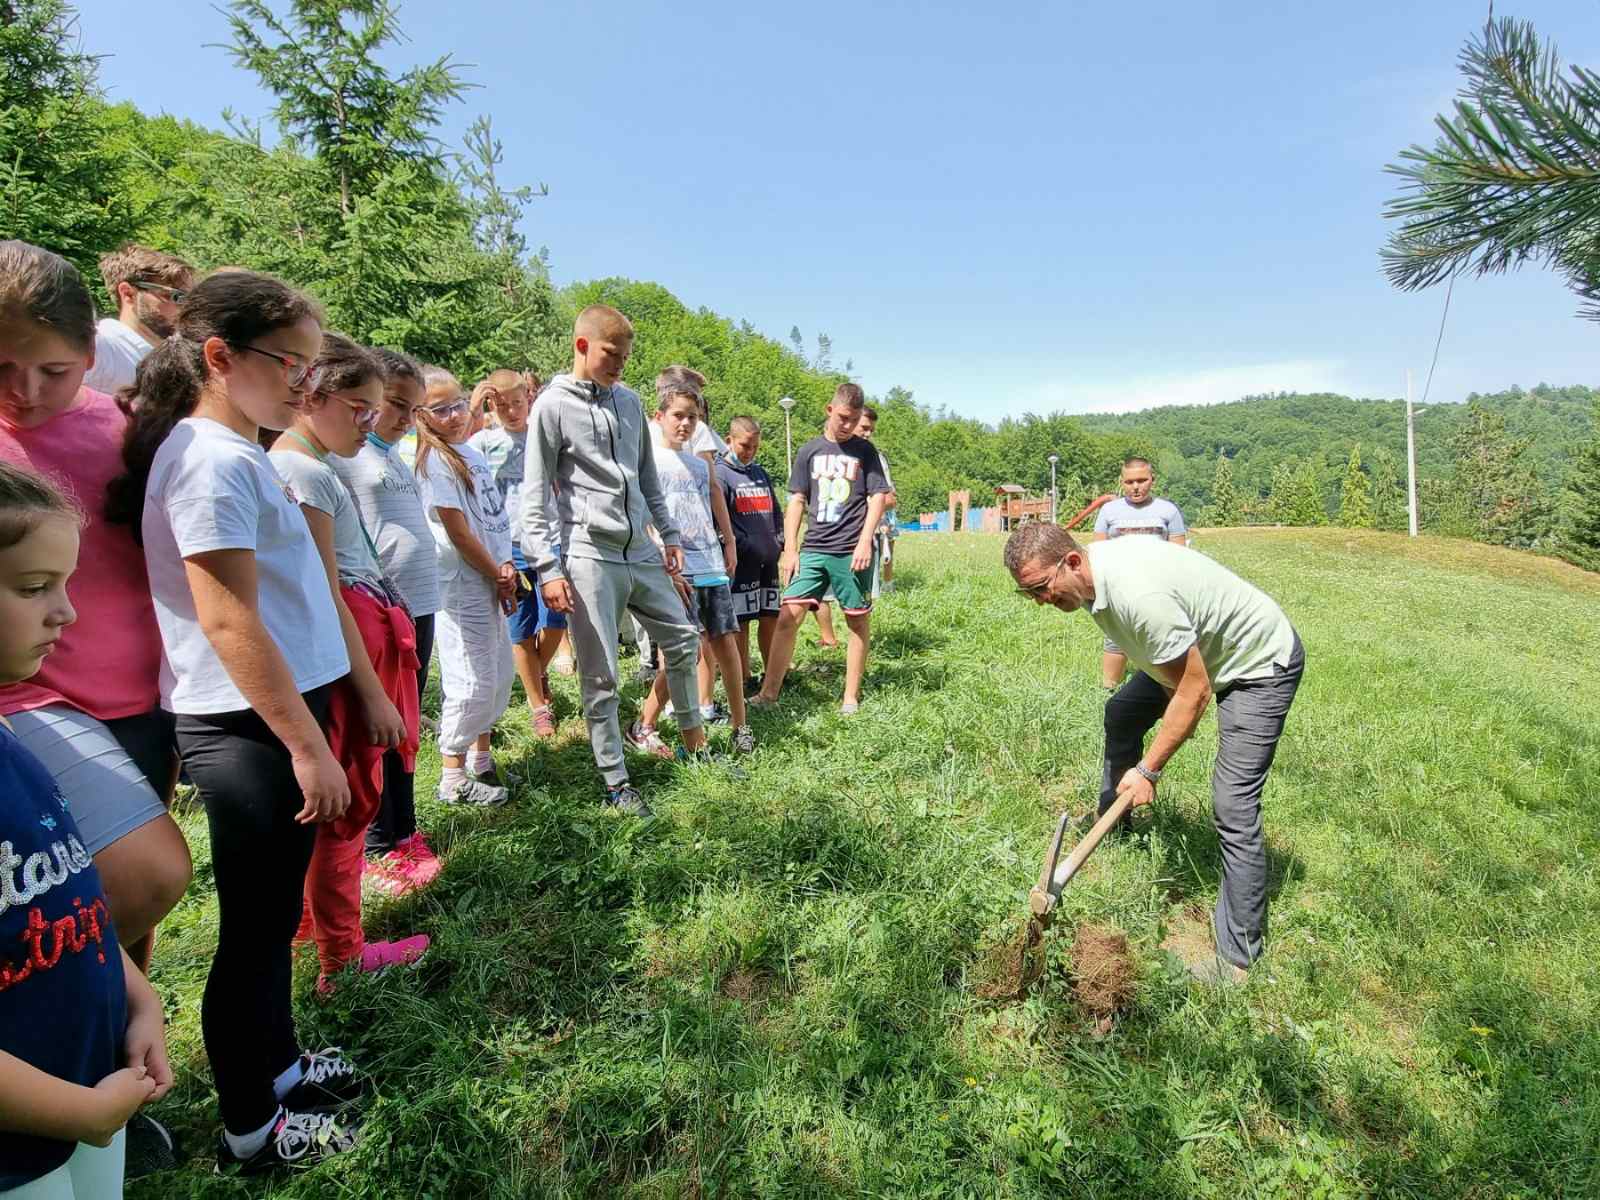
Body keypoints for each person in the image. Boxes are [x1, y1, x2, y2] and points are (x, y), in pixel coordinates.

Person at [105, 269, 362, 1173]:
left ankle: (282, 1067)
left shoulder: (235, 448)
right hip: (249, 727)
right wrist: (304, 746)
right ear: (219, 356)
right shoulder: (210, 459)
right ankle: (253, 1126)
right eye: (288, 361)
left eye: (311, 362)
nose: (303, 380)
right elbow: (227, 618)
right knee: (253, 930)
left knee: (270, 913)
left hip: (277, 711)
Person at [0, 241, 190, 1177]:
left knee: (127, 904)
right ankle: (46, 1062)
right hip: (31, 697)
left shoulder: (116, 427)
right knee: (143, 871)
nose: (25, 390)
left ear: (89, 353)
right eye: (1, 367)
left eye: (51, 368)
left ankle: (120, 1063)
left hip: (135, 693)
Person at [1004, 522, 1304, 984]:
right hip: (1197, 656)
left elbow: (1196, 690)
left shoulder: (1137, 596)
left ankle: (1238, 959)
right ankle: (1115, 828)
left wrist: (1148, 770)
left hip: (1255, 664)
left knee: (1233, 802)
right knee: (1123, 714)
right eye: (1030, 596)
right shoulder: (1090, 582)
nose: (1042, 602)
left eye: (1042, 588)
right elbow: (1169, 665)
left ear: (1074, 561)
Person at [0, 461, 174, 1200]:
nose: (65, 613)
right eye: (34, 587)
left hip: (91, 1089)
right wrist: (83, 1111)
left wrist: (137, 997)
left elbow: (66, 895)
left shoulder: (19, 737)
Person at [269, 335, 428, 994]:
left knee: (345, 800)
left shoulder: (316, 465)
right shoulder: (302, 472)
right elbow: (327, 589)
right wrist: (371, 692)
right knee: (350, 804)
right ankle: (343, 956)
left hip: (364, 636)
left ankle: (313, 925)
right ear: (315, 394)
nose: (369, 423)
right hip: (348, 655)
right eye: (359, 408)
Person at [520, 305, 705, 818]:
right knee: (601, 675)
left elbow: (647, 477)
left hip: (641, 549)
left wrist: (668, 534)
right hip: (588, 553)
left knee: (684, 637)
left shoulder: (630, 402)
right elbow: (534, 494)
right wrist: (547, 567)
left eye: (625, 356)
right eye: (611, 354)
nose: (620, 364)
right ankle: (616, 780)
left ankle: (695, 745)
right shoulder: (552, 406)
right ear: (582, 345)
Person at [327, 348, 442, 892]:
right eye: (395, 404)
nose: (401, 418)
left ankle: (404, 832)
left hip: (413, 606)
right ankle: (376, 843)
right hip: (371, 613)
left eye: (412, 409)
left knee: (408, 728)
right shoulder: (346, 455)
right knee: (379, 727)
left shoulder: (397, 456)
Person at [628, 370, 754, 756]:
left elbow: (713, 498)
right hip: (674, 569)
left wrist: (729, 541)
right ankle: (646, 724)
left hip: (710, 563)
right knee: (686, 650)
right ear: (659, 416)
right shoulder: (647, 459)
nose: (684, 423)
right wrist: (661, 552)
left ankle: (740, 725)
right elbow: (641, 510)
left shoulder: (700, 465)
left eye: (692, 417)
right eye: (677, 415)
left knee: (726, 644)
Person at [749, 383, 889, 716]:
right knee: (787, 617)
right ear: (829, 410)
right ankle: (768, 694)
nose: (848, 425)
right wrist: (791, 548)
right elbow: (796, 500)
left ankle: (850, 697)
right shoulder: (809, 452)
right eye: (843, 418)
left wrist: (864, 541)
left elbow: (878, 497)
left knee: (856, 622)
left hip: (851, 551)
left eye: (854, 419)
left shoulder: (865, 452)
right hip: (814, 548)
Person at [414, 367, 517, 805]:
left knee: (498, 670)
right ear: (421, 415)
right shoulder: (434, 462)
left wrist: (508, 564)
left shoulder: (469, 452)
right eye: (442, 409)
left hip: (495, 575)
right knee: (471, 677)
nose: (456, 415)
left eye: (459, 404)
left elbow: (495, 517)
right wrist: (495, 572)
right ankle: (452, 775)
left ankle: (481, 757)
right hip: (463, 583)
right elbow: (458, 532)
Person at [470, 369, 565, 739]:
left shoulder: (544, 437)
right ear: (493, 405)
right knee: (520, 628)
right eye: (502, 405)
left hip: (550, 537)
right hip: (506, 545)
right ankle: (538, 706)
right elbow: (451, 452)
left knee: (558, 618)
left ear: (530, 398)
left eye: (518, 403)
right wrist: (475, 406)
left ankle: (537, 672)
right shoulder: (482, 442)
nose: (512, 411)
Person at [1092, 456, 1188, 688]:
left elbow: (1179, 554)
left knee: (1161, 637)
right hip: (1118, 587)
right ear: (1122, 482)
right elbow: (1098, 552)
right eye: (1129, 482)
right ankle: (1108, 688)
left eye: (1142, 480)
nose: (1136, 487)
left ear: (1152, 480)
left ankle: (1170, 686)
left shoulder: (1168, 510)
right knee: (1116, 639)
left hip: (1158, 587)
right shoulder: (1108, 511)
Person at [716, 415, 783, 691]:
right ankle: (742, 677)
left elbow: (776, 511)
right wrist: (740, 544)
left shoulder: (759, 472)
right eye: (745, 446)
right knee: (741, 622)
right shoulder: (720, 473)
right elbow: (718, 518)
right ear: (729, 440)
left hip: (768, 559)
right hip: (741, 562)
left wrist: (780, 540)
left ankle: (772, 673)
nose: (750, 452)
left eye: (755, 446)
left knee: (770, 617)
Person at [82, 245, 196, 397]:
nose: (187, 307)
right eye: (176, 296)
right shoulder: (101, 346)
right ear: (128, 293)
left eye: (191, 298)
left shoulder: (174, 358)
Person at [855, 406, 899, 595]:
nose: (868, 434)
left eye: (871, 430)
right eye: (864, 428)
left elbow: (890, 497)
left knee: (886, 546)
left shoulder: (876, 458)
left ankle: (885, 586)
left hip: (874, 521)